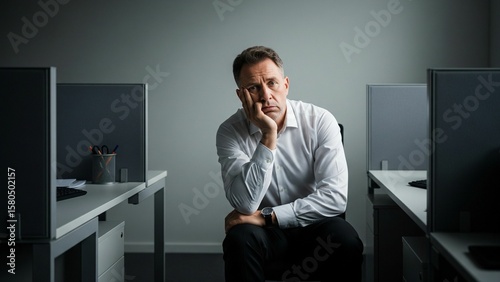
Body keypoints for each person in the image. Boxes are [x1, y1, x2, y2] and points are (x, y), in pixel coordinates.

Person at [216, 46, 363, 282]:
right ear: (241, 95)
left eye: (272, 83)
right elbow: (244, 204)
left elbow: (335, 198)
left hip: (315, 224)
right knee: (239, 239)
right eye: (253, 88)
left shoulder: (320, 121)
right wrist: (268, 136)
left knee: (344, 237)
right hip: (263, 234)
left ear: (286, 84)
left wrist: (268, 216)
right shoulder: (230, 132)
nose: (265, 95)